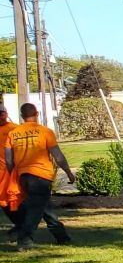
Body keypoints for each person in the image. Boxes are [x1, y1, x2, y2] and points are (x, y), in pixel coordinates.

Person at [4, 103, 74, 250]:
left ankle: (61, 236)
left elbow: (9, 160)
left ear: (22, 116)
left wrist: (13, 175)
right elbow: (57, 156)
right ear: (37, 114)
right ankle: (24, 240)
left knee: (44, 207)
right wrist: (68, 171)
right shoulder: (45, 132)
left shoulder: (13, 133)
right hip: (41, 175)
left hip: (23, 176)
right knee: (35, 210)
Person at [0, 104, 18, 235]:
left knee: (10, 199)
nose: (0, 116)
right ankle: (20, 223)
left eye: (1, 113)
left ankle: (21, 224)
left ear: (6, 114)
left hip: (9, 171)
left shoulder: (14, 129)